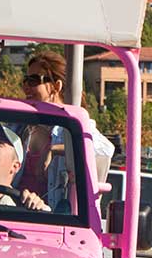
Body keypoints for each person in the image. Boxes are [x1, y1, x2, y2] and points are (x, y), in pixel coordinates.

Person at [15, 51, 114, 210]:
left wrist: (55, 149)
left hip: (54, 222)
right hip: (10, 214)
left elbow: (104, 149)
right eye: (25, 80)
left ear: (56, 86)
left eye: (34, 80)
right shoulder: (21, 128)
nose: (26, 86)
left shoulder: (72, 127)